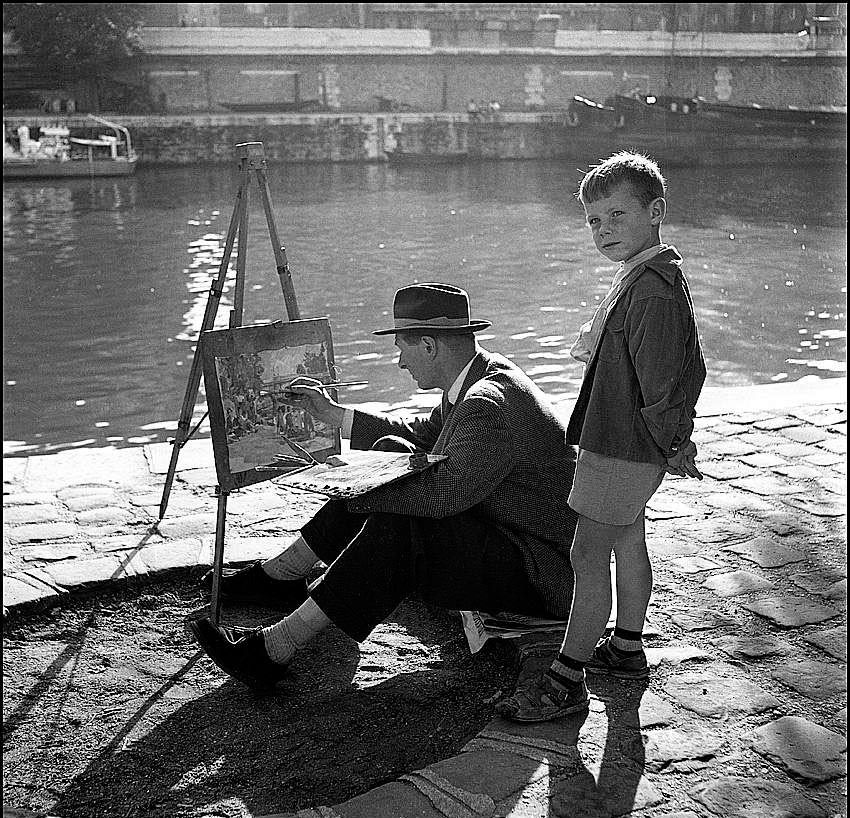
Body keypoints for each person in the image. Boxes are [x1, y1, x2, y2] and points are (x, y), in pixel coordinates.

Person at [190, 282, 579, 692]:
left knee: (398, 521)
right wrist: (333, 415)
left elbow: (445, 496)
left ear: (429, 346)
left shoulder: (487, 402)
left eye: (403, 349)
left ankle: (273, 649)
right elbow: (420, 436)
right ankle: (282, 576)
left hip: (540, 571)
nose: (400, 363)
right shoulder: (478, 377)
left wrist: (351, 483)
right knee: (389, 455)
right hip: (510, 536)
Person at [497, 151, 706, 722]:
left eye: (616, 215)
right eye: (593, 221)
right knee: (625, 540)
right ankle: (626, 646)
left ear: (655, 211)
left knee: (587, 554)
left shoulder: (653, 290)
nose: (603, 230)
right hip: (619, 441)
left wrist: (673, 445)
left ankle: (566, 678)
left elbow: (662, 384)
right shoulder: (644, 276)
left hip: (623, 446)